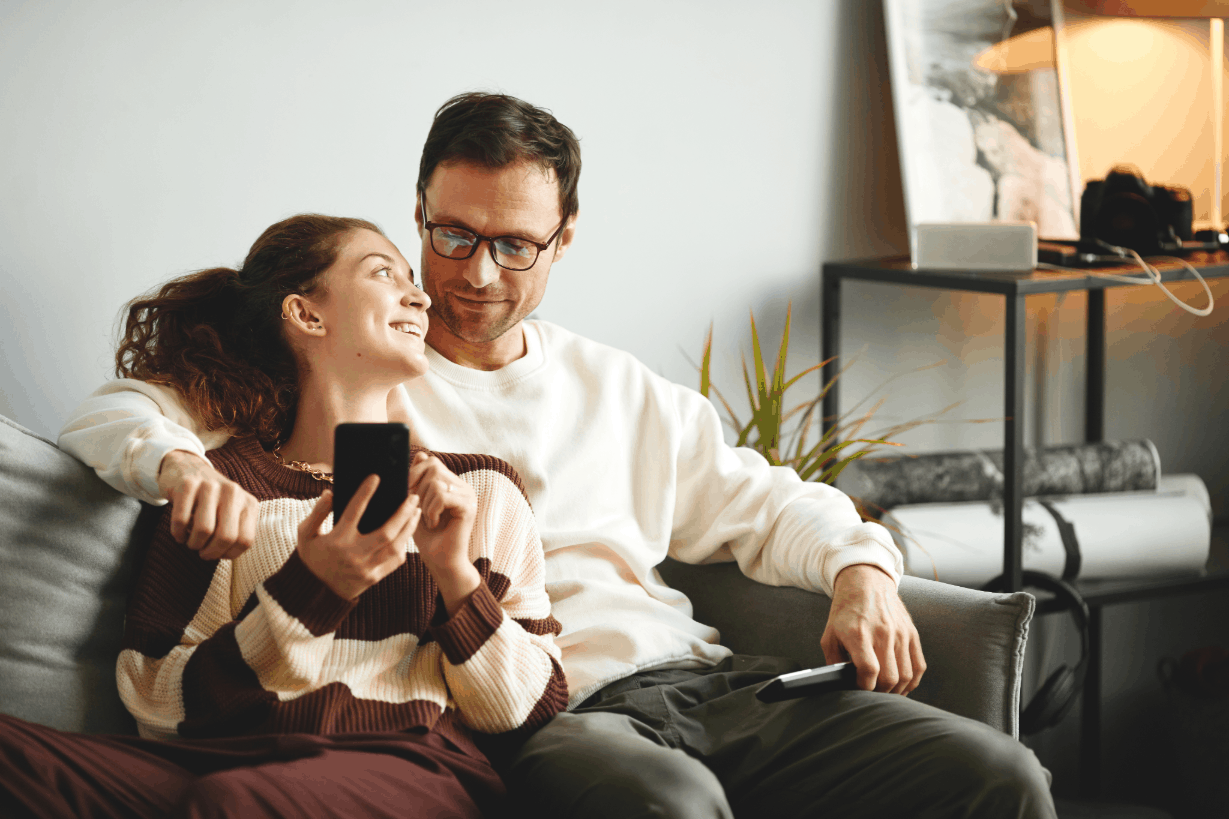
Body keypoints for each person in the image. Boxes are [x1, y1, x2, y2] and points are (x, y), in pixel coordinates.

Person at [58, 93, 1057, 817]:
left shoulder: (615, 388)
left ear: (562, 240)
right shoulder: (352, 379)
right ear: (417, 218)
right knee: (664, 802)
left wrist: (859, 572)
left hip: (714, 682)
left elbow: (765, 502)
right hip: (561, 712)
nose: (473, 274)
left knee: (1000, 778)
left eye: (513, 245)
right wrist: (179, 466)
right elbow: (121, 413)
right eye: (449, 237)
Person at [3, 214, 566, 818]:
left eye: (412, 278)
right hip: (220, 759)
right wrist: (309, 591)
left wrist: (455, 576)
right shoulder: (220, 485)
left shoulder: (479, 491)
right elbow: (157, 702)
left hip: (408, 764)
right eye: (384, 272)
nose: (420, 293)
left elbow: (528, 709)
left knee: (235, 800)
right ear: (306, 315)